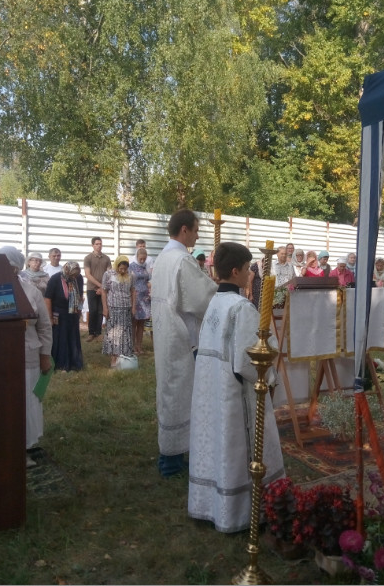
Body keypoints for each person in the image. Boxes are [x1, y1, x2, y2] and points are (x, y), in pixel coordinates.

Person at [188, 242, 285, 532]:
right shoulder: (241, 308)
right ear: (235, 271)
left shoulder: (214, 303)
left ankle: (211, 505)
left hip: (213, 390)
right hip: (235, 394)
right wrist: (270, 377)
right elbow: (249, 360)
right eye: (246, 269)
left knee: (217, 446)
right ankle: (241, 513)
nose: (249, 274)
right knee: (239, 448)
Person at [151, 209, 216, 477]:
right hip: (181, 336)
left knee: (170, 392)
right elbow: (202, 299)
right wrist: (223, 290)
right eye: (196, 230)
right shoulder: (182, 260)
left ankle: (172, 455)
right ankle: (171, 462)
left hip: (164, 332)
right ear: (185, 230)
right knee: (179, 393)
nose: (198, 236)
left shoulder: (162, 257)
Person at [0, 247, 53, 465]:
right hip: (0, 357)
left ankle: (24, 448)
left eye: (7, 265)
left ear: (15, 267)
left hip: (28, 354)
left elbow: (44, 326)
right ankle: (3, 445)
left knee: (27, 401)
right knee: (3, 402)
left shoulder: (31, 292)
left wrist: (45, 355)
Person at [44, 261, 84, 372]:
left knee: (72, 337)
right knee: (61, 338)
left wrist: (79, 310)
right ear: (67, 271)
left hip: (73, 312)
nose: (73, 278)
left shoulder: (79, 278)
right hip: (59, 313)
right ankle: (61, 364)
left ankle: (74, 363)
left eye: (75, 275)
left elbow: (80, 295)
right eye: (72, 275)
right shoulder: (55, 279)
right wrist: (50, 317)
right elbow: (48, 298)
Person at [101, 256, 136, 368]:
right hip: (113, 307)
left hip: (126, 307)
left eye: (125, 269)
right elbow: (104, 291)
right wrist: (105, 308)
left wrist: (133, 307)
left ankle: (124, 358)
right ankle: (113, 359)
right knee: (114, 334)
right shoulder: (108, 274)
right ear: (117, 266)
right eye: (121, 268)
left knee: (125, 333)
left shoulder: (131, 275)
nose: (123, 271)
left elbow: (133, 291)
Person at [83, 236, 111, 343]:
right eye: (97, 244)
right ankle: (91, 333)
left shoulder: (106, 258)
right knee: (93, 310)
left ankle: (98, 332)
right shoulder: (88, 258)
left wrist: (103, 287)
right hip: (91, 288)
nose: (99, 246)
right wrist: (100, 285)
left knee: (100, 310)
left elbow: (109, 274)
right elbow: (87, 274)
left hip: (103, 289)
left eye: (100, 243)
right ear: (93, 245)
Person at [129, 248, 152, 355]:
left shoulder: (145, 266)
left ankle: (139, 345)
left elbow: (148, 279)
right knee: (134, 323)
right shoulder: (131, 266)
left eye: (144, 259)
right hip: (136, 298)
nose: (142, 261)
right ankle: (133, 346)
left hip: (144, 298)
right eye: (141, 259)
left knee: (141, 324)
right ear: (137, 257)